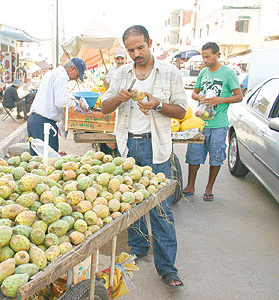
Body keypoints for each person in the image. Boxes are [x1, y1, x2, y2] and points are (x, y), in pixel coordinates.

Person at [101, 25, 187, 288]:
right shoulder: (121, 74)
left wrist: (158, 105)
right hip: (128, 147)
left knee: (160, 210)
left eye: (140, 47)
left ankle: (168, 268)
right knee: (132, 203)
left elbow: (182, 111)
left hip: (157, 147)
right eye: (130, 50)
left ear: (150, 43)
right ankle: (138, 247)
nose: (136, 53)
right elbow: (104, 107)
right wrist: (118, 98)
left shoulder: (170, 73)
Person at [182, 42, 242, 202]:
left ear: (217, 55)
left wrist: (219, 100)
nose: (205, 60)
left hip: (219, 125)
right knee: (193, 156)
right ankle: (190, 186)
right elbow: (194, 93)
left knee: (216, 157)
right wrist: (199, 97)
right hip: (200, 123)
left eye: (208, 56)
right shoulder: (203, 72)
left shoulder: (228, 73)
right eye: (203, 56)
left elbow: (239, 96)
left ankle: (209, 188)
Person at [27, 57, 87, 155]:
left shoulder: (53, 73)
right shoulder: (62, 76)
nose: (76, 78)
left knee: (37, 160)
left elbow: (57, 96)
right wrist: (78, 104)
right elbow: (61, 102)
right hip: (43, 124)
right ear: (72, 69)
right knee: (47, 162)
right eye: (77, 75)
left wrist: (73, 99)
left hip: (35, 121)